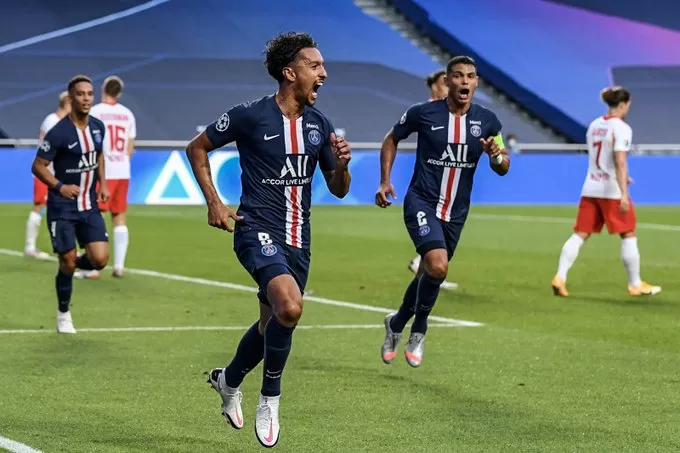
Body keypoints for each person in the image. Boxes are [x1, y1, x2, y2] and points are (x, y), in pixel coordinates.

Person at [185, 32, 351, 448]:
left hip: (299, 238)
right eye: (315, 66)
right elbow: (197, 148)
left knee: (269, 325)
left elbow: (339, 188)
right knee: (291, 307)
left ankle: (228, 380)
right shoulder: (251, 115)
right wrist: (215, 202)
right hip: (255, 227)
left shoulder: (320, 125)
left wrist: (343, 166)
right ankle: (270, 398)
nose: (324, 73)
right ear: (289, 72)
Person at [376, 56, 510, 368]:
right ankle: (419, 330)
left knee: (428, 273)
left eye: (471, 77)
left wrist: (495, 156)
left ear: (476, 83)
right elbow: (391, 137)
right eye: (459, 76)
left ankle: (395, 324)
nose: (465, 82)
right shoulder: (424, 113)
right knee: (437, 267)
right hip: (422, 201)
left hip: (456, 212)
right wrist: (385, 180)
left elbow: (503, 165)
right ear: (447, 82)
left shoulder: (488, 121)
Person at [551, 87, 661, 297]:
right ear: (623, 104)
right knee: (628, 233)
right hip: (611, 191)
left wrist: (620, 176)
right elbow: (619, 161)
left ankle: (560, 277)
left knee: (580, 234)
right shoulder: (622, 128)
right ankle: (635, 284)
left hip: (591, 187)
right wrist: (623, 192)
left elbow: (600, 158)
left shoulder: (594, 125)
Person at [31, 75, 110, 334]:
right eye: (81, 94)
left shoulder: (99, 127)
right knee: (66, 264)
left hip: (89, 205)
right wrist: (60, 187)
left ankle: (71, 261)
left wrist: (104, 183)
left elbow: (98, 156)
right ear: (71, 97)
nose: (86, 98)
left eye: (89, 94)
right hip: (62, 207)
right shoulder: (58, 132)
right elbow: (38, 166)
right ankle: (63, 313)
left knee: (100, 260)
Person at [407, 69, 459, 291]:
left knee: (440, 233)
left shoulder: (452, 112)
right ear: (435, 87)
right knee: (435, 230)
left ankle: (424, 268)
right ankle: (427, 267)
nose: (449, 88)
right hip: (432, 185)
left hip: (452, 184)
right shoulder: (427, 112)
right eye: (445, 84)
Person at [88, 75, 136, 278]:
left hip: (103, 171)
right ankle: (119, 266)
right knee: (119, 217)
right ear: (119, 93)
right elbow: (130, 147)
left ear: (103, 89)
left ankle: (92, 268)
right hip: (123, 169)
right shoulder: (128, 114)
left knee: (96, 216)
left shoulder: (95, 111)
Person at [25, 91, 71, 259]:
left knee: (60, 209)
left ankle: (63, 246)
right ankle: (30, 247)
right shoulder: (52, 121)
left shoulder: (62, 122)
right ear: (67, 103)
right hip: (46, 173)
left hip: (57, 174)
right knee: (40, 206)